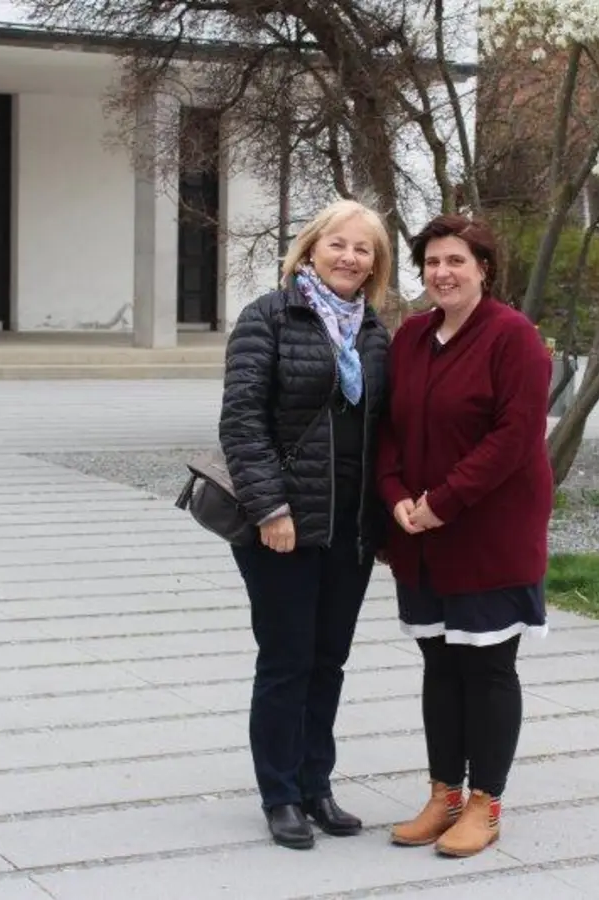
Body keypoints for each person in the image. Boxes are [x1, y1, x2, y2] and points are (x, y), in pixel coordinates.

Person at [375, 213, 554, 858]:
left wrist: (442, 504)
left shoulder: (515, 339)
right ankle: (444, 792)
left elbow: (513, 439)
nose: (442, 273)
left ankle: (485, 802)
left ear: (484, 268)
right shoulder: (413, 337)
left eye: (456, 261)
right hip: (419, 535)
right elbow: (389, 425)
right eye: (431, 263)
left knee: (486, 665)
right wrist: (396, 497)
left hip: (487, 533)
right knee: (439, 664)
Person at [218, 198, 394, 850]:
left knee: (329, 661)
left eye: (363, 249)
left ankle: (317, 784)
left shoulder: (373, 332)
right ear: (310, 248)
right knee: (288, 661)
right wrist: (271, 509)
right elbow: (241, 422)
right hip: (283, 528)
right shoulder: (269, 317)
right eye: (338, 244)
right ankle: (281, 794)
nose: (349, 257)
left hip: (349, 529)